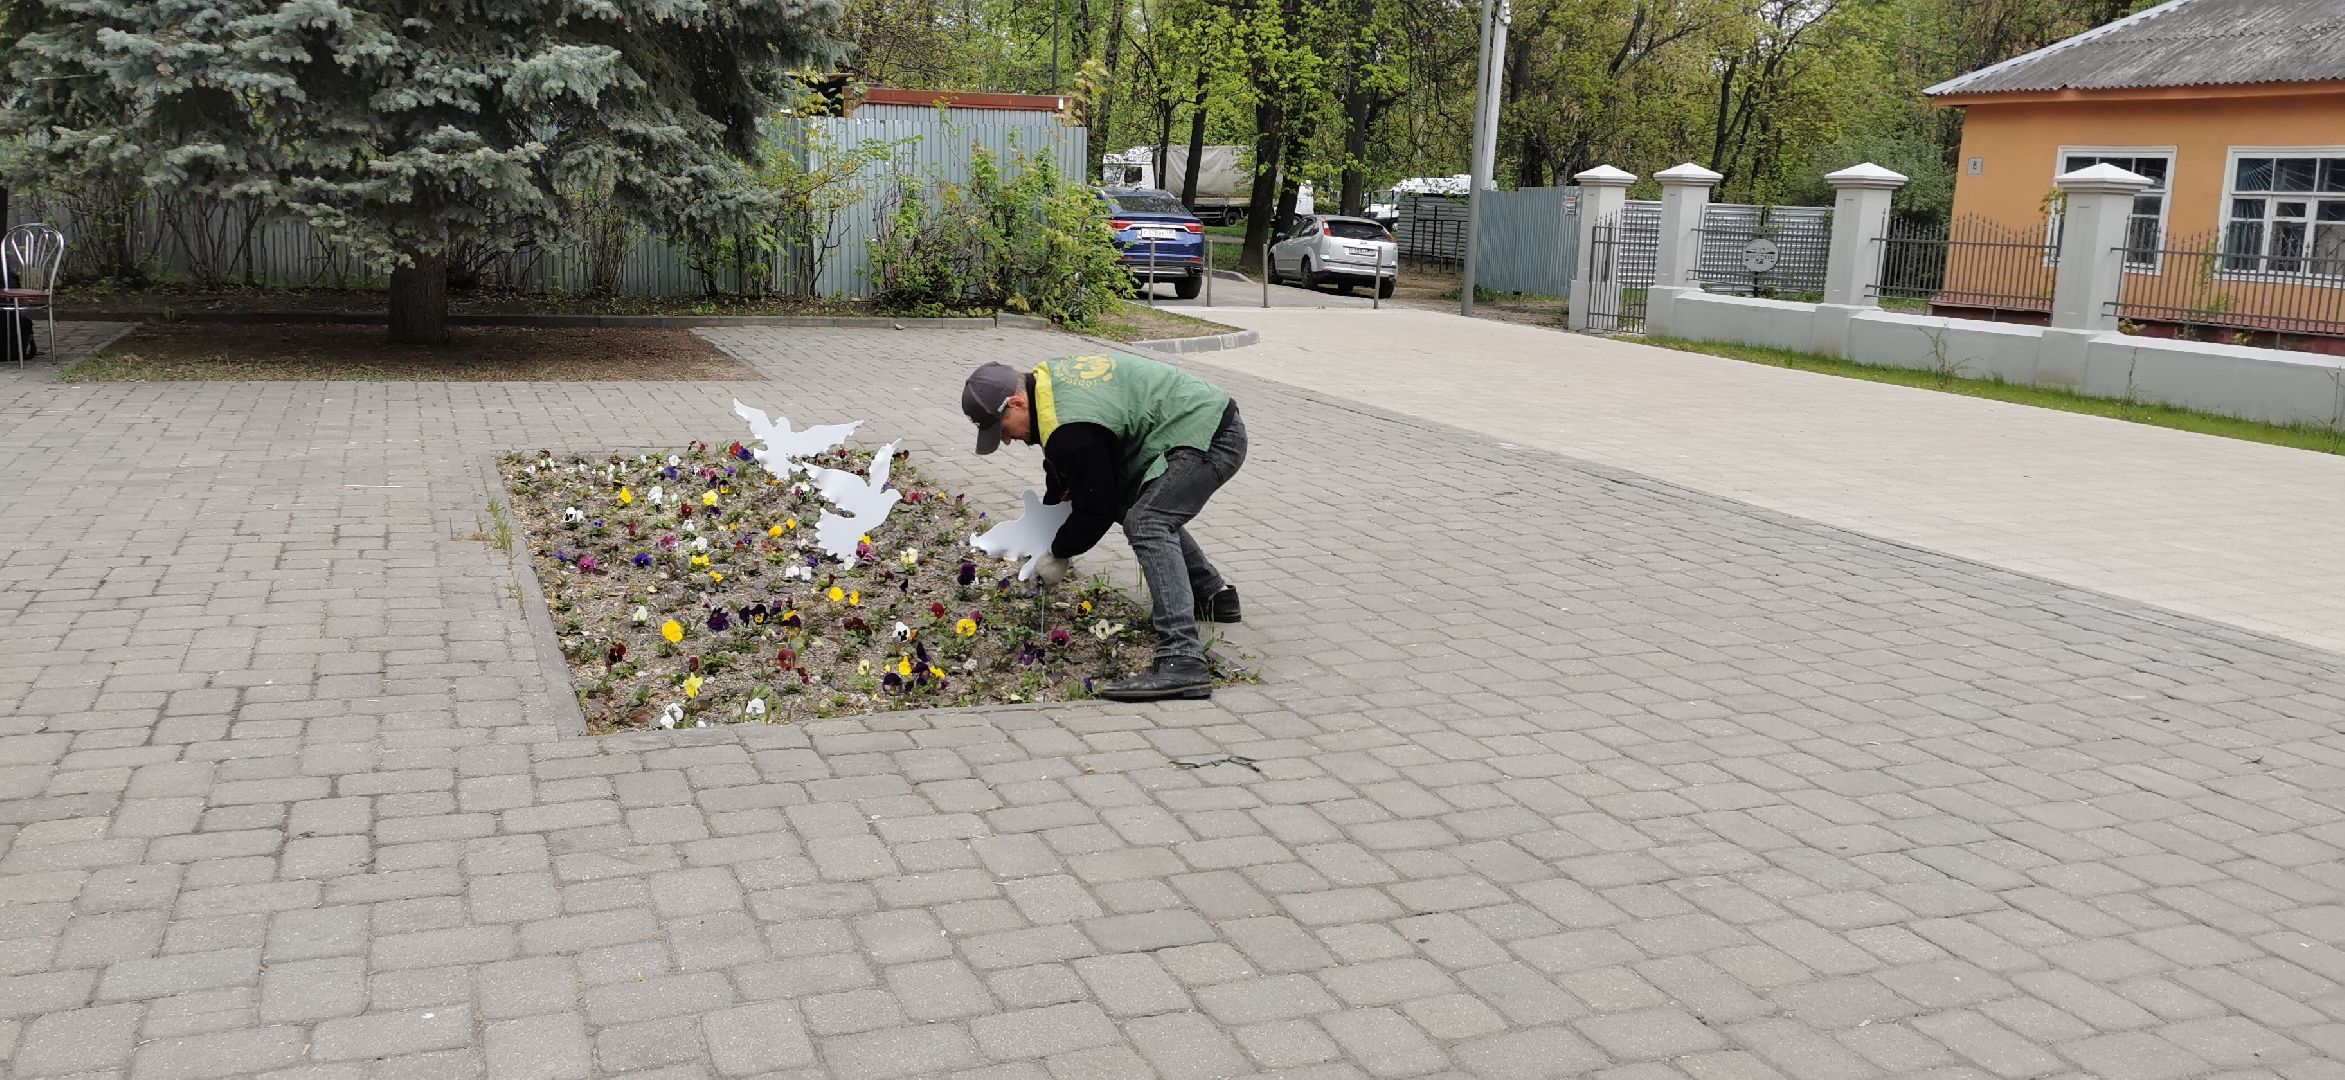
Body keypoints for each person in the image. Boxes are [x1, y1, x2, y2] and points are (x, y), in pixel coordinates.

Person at [962, 352, 1246, 702]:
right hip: (1200, 420)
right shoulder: (1046, 388)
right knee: (1134, 507)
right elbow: (1071, 477)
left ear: (1018, 403)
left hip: (1211, 435)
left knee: (1148, 521)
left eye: (1001, 430)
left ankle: (1182, 659)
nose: (1005, 441)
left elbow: (1095, 507)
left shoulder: (1069, 428)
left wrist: (1059, 553)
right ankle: (1213, 596)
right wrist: (1048, 535)